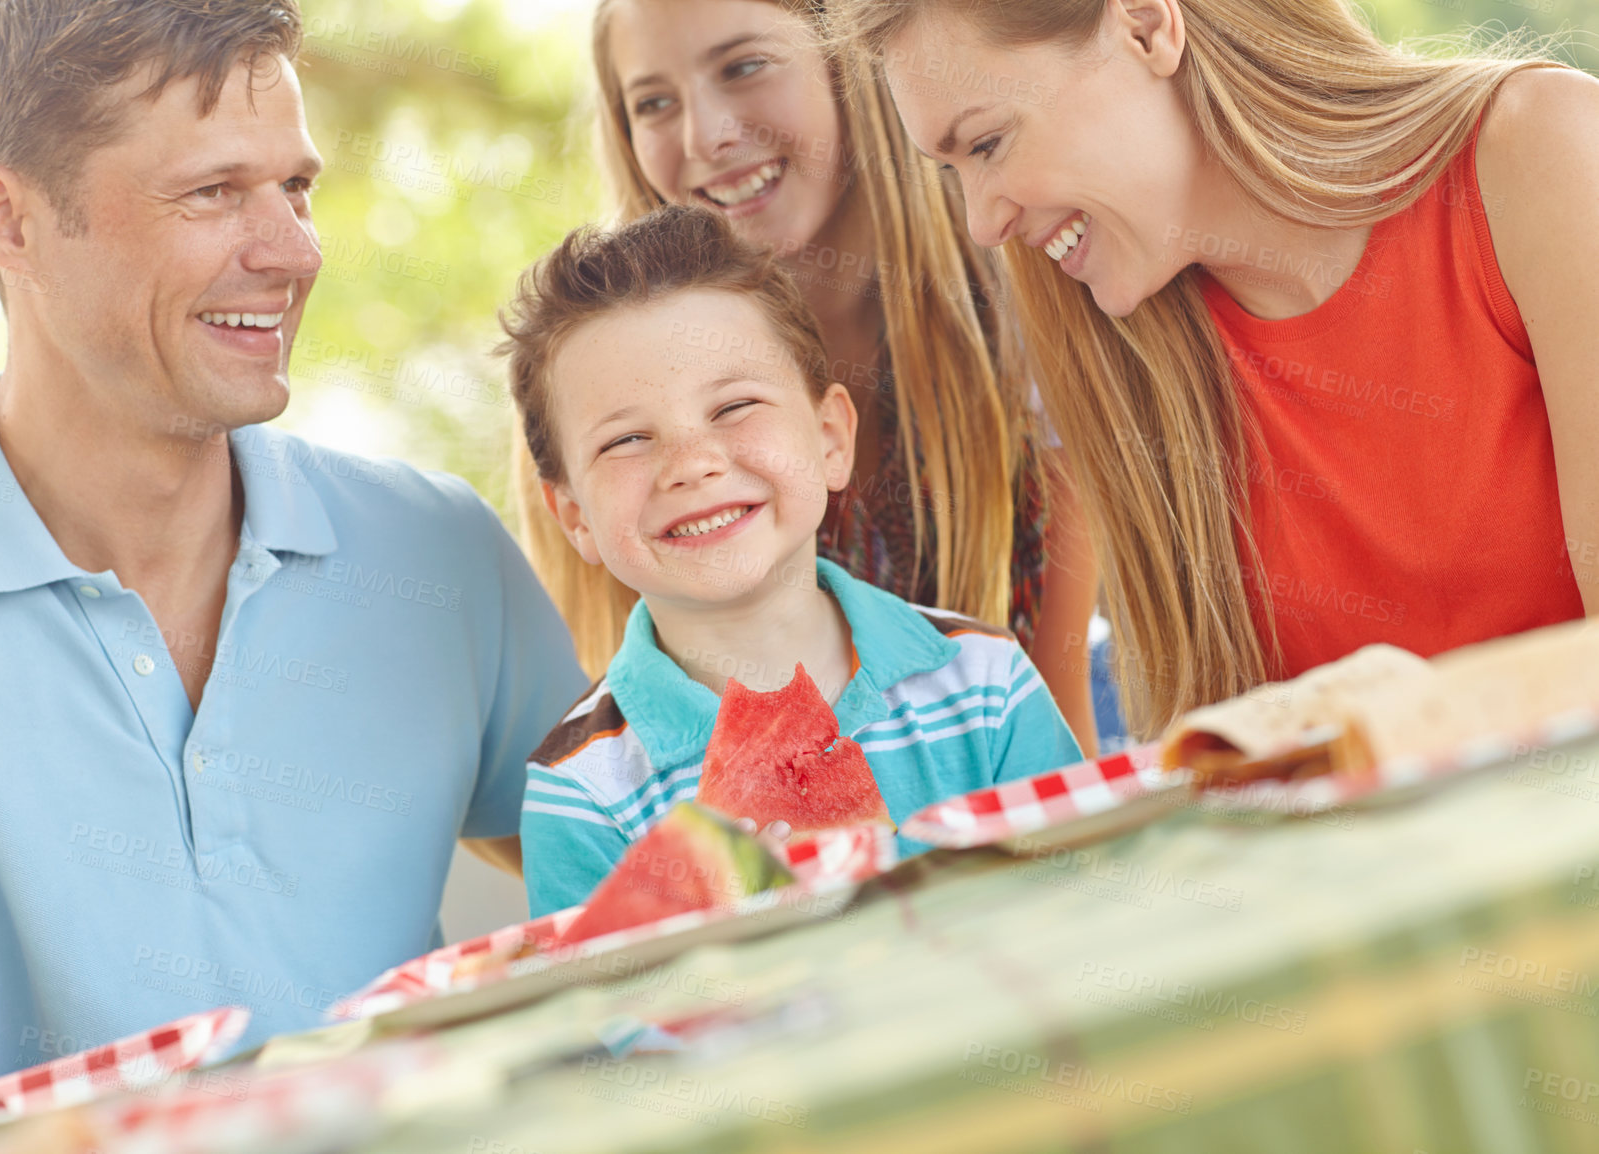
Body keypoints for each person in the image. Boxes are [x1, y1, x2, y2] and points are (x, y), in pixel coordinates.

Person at [0, 0, 584, 1080]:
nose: (293, 252)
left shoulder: (438, 553)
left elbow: (646, 893)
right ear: (8, 218)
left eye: (294, 187)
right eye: (211, 192)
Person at [835, 0, 1599, 736]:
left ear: (1143, 26)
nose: (981, 221)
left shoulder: (1540, 153)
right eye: (948, 170)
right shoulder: (1110, 343)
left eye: (988, 143)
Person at [511, 0, 1105, 754]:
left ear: (852, 64)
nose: (707, 135)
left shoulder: (1025, 328)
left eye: (745, 66)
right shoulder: (587, 412)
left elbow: (1059, 719)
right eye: (654, 102)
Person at [500, 206, 1083, 916]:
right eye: (626, 441)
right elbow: (608, 1021)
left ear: (831, 436)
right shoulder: (582, 790)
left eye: (735, 406)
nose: (693, 464)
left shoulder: (985, 683)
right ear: (574, 518)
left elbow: (1084, 908)